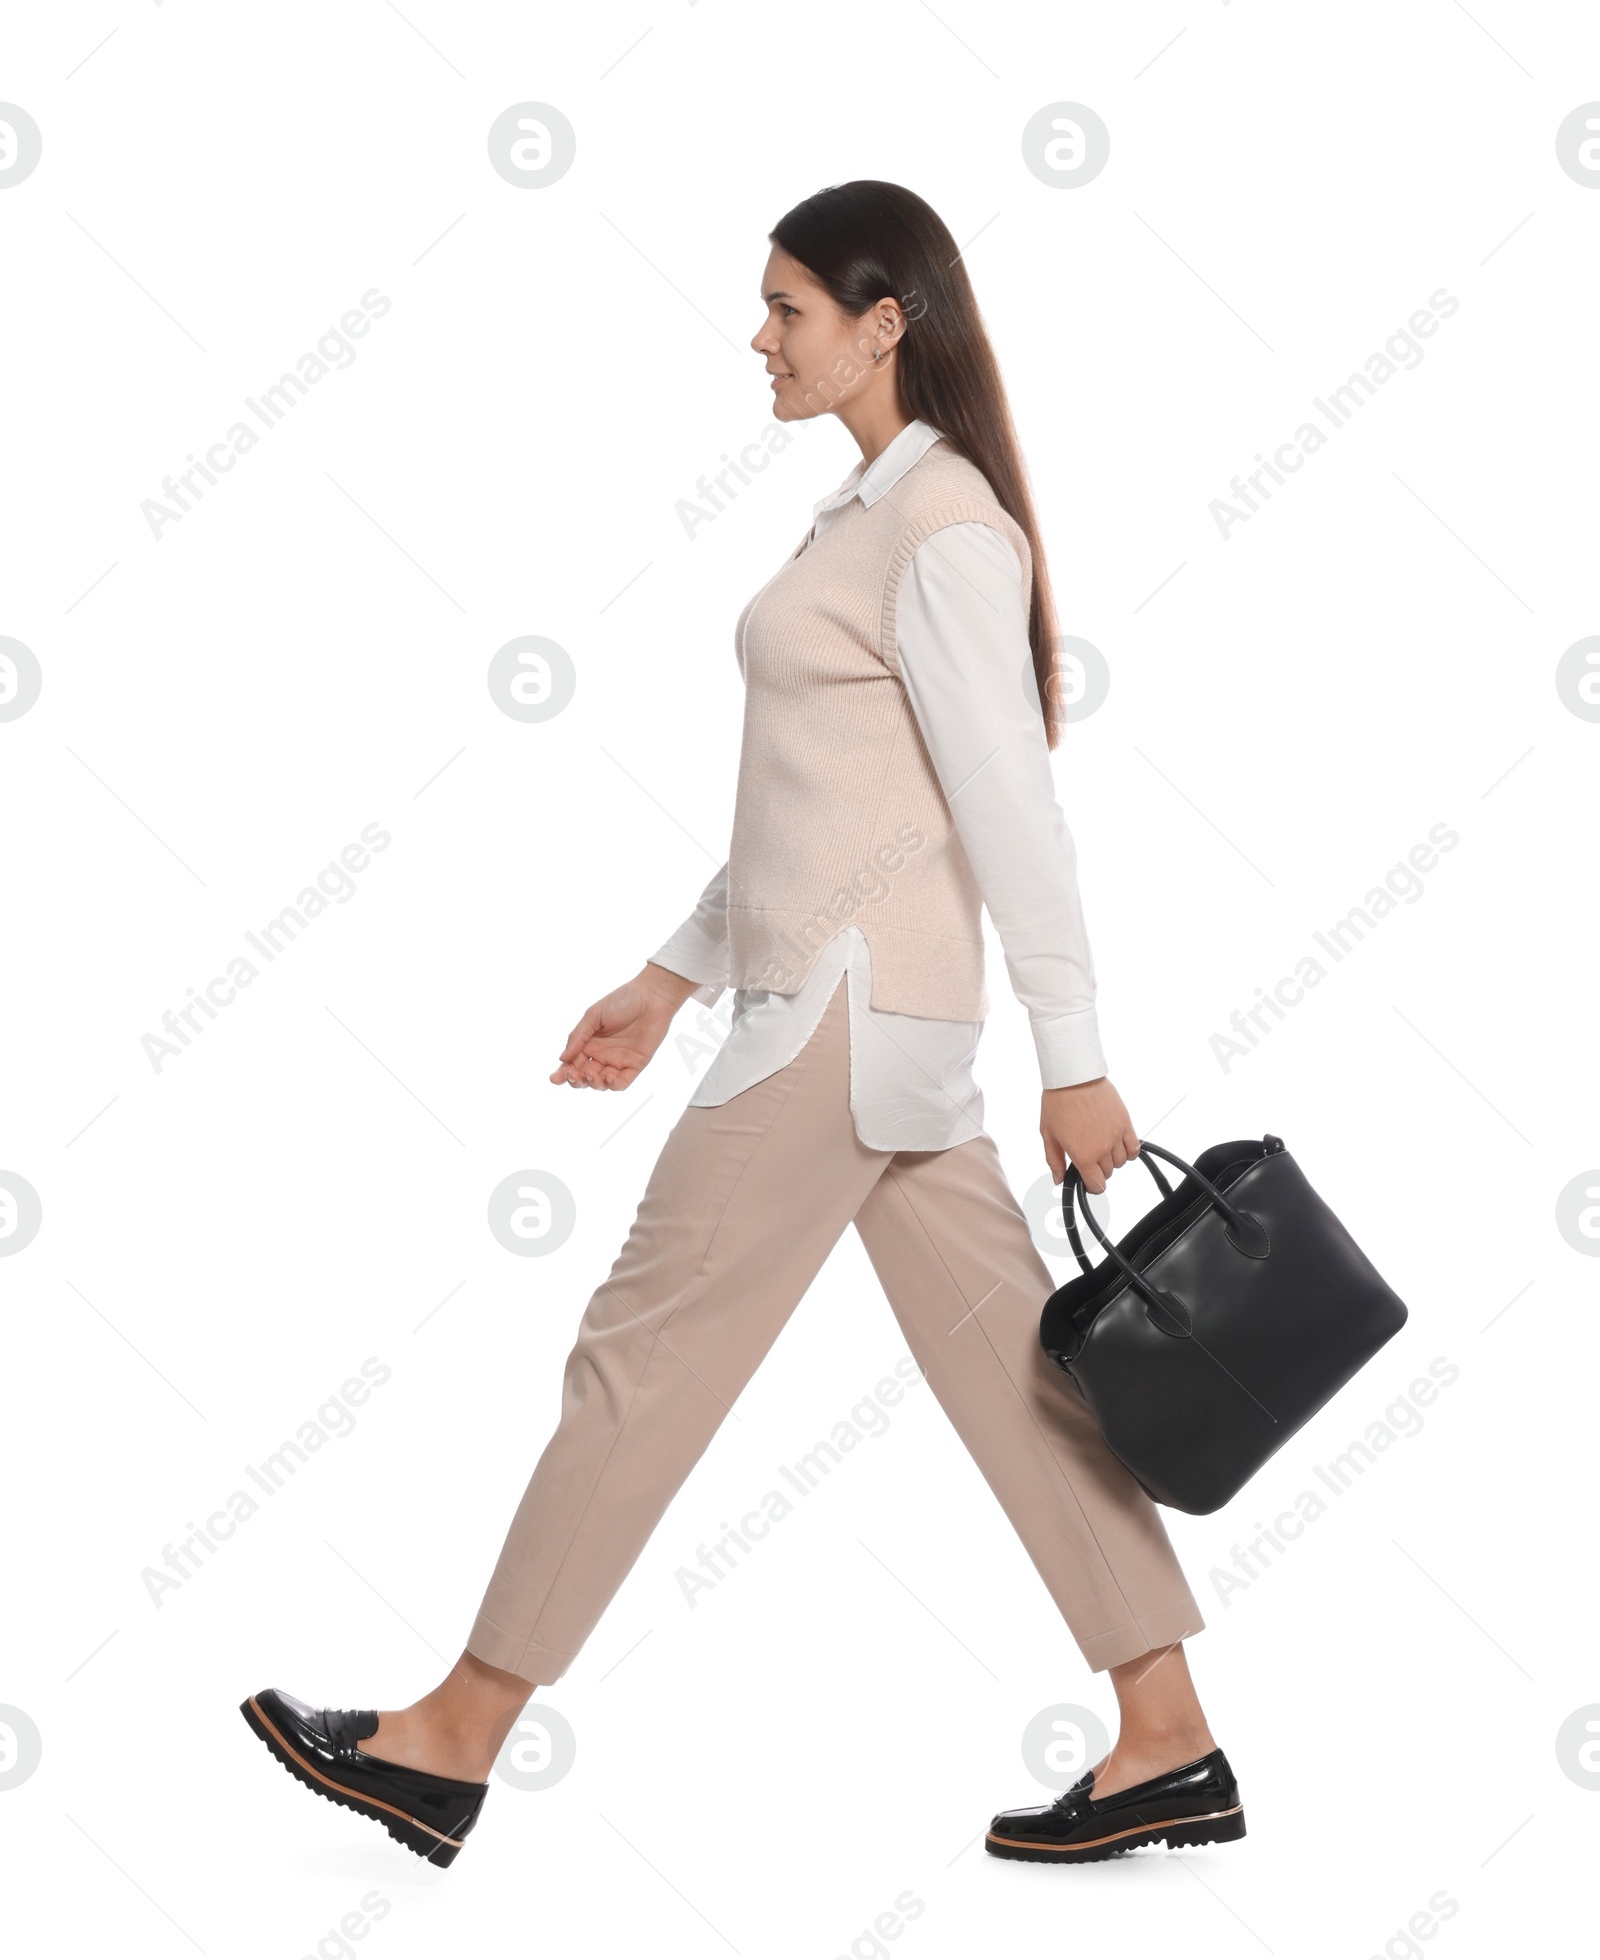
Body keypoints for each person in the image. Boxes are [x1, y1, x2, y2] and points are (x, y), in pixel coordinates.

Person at [241, 180, 1244, 1869]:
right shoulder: (867, 517)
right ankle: (1166, 1736)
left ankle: (454, 1737)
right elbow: (826, 807)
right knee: (1025, 1381)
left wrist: (1078, 1057)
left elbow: (1008, 808)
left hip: (841, 1036)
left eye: (786, 309)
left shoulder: (944, 530)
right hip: (861, 1026)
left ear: (883, 323)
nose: (760, 338)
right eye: (766, 307)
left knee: (640, 1359)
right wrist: (672, 969)